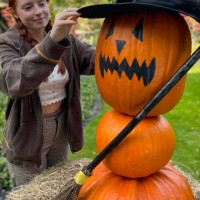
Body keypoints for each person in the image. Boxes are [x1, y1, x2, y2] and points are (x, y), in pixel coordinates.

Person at [0, 0, 95, 187]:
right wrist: (52, 42)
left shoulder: (67, 39)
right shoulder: (7, 42)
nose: (38, 12)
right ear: (15, 12)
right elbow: (14, 82)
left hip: (60, 128)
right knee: (32, 193)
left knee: (57, 189)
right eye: (28, 7)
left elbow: (93, 59)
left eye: (41, 4)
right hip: (27, 134)